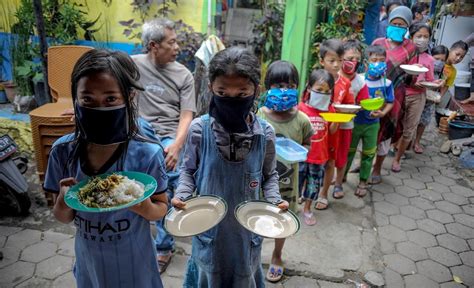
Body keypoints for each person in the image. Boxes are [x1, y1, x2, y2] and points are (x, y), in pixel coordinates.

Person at [44, 49, 169, 288]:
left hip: (136, 264)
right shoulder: (63, 152)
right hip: (90, 262)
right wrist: (62, 200)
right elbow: (62, 217)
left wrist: (144, 207)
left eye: (111, 99)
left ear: (129, 96)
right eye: (88, 99)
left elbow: (161, 208)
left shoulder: (147, 153)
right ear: (75, 99)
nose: (99, 108)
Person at [171, 47, 289, 287]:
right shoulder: (198, 129)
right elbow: (188, 171)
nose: (231, 99)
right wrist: (182, 195)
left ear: (256, 90)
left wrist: (275, 201)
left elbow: (269, 175)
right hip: (210, 236)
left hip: (246, 237)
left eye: (241, 93)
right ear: (210, 88)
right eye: (222, 91)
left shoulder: (264, 133)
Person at [132, 18, 196, 272]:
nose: (177, 47)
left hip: (169, 135)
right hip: (138, 133)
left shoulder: (184, 74)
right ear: (153, 46)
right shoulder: (132, 65)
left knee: (167, 173)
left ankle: (164, 246)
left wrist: (178, 146)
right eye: (171, 42)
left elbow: (187, 115)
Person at [257, 61, 313, 282]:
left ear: (297, 87)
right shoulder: (259, 115)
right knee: (257, 217)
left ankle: (277, 255)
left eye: (289, 85)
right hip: (260, 181)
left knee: (282, 221)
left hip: (288, 184)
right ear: (267, 88)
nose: (283, 90)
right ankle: (253, 255)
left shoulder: (302, 120)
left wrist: (299, 151)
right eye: (277, 84)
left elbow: (308, 143)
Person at [370, 5, 416, 184]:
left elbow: (411, 76)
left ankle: (377, 168)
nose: (397, 26)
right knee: (369, 128)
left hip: (395, 96)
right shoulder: (378, 43)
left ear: (407, 28)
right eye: (394, 23)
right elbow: (367, 66)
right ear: (388, 23)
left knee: (386, 132)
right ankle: (365, 162)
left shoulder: (411, 48)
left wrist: (414, 76)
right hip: (373, 92)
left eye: (401, 25)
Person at [391, 23, 440, 172]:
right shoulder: (403, 54)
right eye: (419, 36)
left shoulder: (430, 60)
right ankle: (390, 147)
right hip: (400, 94)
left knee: (409, 129)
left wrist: (435, 83)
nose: (422, 40)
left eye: (426, 37)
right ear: (411, 37)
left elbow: (430, 79)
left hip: (418, 97)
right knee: (393, 125)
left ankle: (397, 159)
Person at [346, 45, 394, 197]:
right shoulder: (359, 80)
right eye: (374, 60)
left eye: (381, 61)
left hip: (373, 125)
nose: (378, 64)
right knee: (349, 151)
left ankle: (363, 181)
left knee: (369, 153)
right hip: (355, 122)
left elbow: (391, 102)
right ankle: (341, 178)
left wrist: (382, 113)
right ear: (366, 63)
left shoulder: (387, 83)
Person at [314, 39, 352, 209]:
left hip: (335, 130)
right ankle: (309, 192)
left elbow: (349, 107)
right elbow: (305, 103)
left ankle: (323, 194)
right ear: (322, 61)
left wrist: (343, 115)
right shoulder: (315, 79)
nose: (337, 65)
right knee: (312, 161)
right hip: (315, 128)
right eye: (332, 61)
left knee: (330, 162)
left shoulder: (345, 83)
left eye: (340, 60)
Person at [298, 69, 338, 225]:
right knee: (298, 181)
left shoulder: (330, 109)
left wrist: (336, 122)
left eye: (327, 91)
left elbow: (331, 131)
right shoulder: (301, 108)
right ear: (309, 88)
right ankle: (294, 204)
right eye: (319, 90)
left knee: (314, 183)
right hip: (301, 155)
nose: (323, 94)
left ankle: (307, 209)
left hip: (319, 156)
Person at [333, 39, 369, 198]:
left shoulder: (360, 82)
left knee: (342, 155)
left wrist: (355, 107)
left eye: (357, 59)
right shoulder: (331, 77)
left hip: (347, 124)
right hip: (329, 124)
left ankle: (338, 184)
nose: (353, 62)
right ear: (340, 59)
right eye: (349, 58)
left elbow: (363, 103)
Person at [414, 45, 449, 153]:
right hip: (418, 96)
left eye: (442, 60)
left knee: (423, 121)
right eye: (437, 58)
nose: (439, 62)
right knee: (413, 119)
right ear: (430, 56)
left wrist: (439, 95)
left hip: (430, 100)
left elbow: (443, 85)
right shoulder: (424, 65)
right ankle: (406, 141)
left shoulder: (443, 72)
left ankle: (417, 142)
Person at [436, 41, 469, 111]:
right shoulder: (439, 61)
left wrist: (439, 97)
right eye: (457, 54)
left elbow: (446, 86)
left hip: (434, 95)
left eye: (461, 57)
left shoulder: (453, 71)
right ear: (450, 50)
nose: (458, 58)